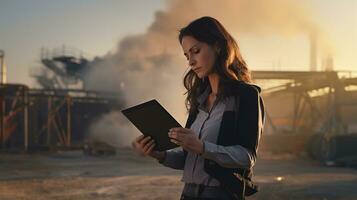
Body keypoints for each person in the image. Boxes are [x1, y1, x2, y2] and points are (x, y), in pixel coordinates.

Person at [132, 16, 265, 200]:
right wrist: (160, 154)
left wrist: (202, 146)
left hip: (221, 195)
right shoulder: (199, 101)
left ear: (217, 46)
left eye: (195, 51)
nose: (191, 61)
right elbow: (189, 159)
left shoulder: (246, 95)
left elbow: (247, 157)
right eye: (187, 55)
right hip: (188, 193)